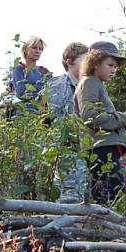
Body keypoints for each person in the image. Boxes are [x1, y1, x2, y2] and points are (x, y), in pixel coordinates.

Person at [74, 41, 126, 204]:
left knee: (113, 193)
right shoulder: (88, 83)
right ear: (94, 62)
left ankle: (106, 227)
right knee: (106, 194)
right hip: (100, 148)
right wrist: (122, 117)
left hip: (105, 147)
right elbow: (90, 116)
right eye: (110, 65)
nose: (114, 70)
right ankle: (102, 227)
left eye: (116, 66)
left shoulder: (96, 84)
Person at [48, 42, 88, 203]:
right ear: (70, 62)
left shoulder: (83, 87)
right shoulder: (59, 84)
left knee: (79, 195)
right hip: (65, 151)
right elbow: (53, 118)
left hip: (80, 150)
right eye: (84, 61)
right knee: (67, 198)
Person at [10, 36, 52, 113]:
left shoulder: (44, 71)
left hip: (42, 115)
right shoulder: (19, 69)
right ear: (26, 49)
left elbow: (52, 91)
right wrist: (42, 90)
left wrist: (32, 87)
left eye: (40, 49)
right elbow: (21, 92)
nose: (37, 51)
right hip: (24, 114)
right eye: (34, 48)